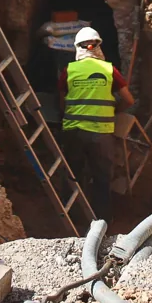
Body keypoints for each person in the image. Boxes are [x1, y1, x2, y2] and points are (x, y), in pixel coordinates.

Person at [56, 26, 134, 220]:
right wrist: (113, 110)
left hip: (73, 131)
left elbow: (61, 101)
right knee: (102, 178)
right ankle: (101, 222)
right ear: (98, 46)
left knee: (73, 174)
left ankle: (71, 216)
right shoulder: (109, 69)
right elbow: (129, 100)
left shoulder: (69, 70)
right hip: (102, 132)